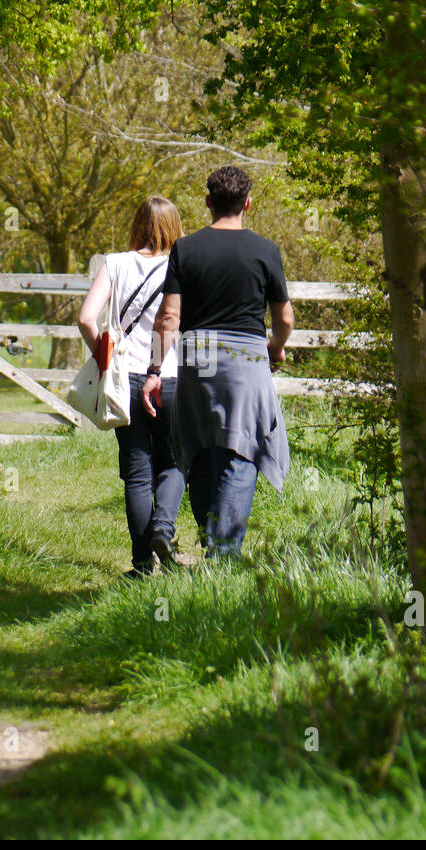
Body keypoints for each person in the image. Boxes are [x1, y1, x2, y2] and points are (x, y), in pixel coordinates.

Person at [142, 166, 294, 557]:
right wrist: (275, 347)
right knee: (241, 448)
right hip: (246, 358)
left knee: (201, 444)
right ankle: (222, 553)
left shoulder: (186, 249)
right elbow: (285, 319)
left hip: (199, 356)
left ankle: (211, 534)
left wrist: (156, 370)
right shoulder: (265, 250)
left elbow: (169, 318)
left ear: (208, 201)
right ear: (248, 203)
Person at [78, 196, 184, 578]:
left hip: (126, 379)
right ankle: (163, 529)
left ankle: (141, 566)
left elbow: (87, 318)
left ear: (138, 223)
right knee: (174, 462)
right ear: (174, 226)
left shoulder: (115, 263)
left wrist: (104, 358)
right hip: (170, 376)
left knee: (137, 473)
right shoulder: (182, 264)